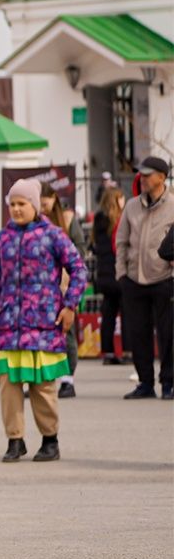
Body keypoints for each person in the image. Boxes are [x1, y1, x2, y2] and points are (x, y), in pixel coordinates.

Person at [0, 178, 87, 462]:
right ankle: (15, 439)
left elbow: (79, 270)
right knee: (8, 383)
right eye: (12, 204)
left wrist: (70, 305)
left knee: (42, 386)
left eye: (22, 204)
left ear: (34, 205)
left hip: (43, 323)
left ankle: (50, 439)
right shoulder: (2, 238)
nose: (17, 209)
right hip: (9, 322)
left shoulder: (53, 235)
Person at [116, 156, 172, 400]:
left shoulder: (173, 204)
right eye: (142, 174)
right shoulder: (131, 206)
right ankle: (145, 382)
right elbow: (121, 242)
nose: (143, 178)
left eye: (148, 174)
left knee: (168, 334)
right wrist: (121, 274)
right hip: (133, 279)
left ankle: (169, 382)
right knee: (138, 334)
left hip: (165, 279)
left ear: (162, 177)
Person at [39, 183, 86, 397]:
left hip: (65, 283)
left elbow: (80, 252)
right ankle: (39, 377)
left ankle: (68, 379)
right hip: (41, 288)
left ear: (53, 198)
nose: (42, 205)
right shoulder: (32, 223)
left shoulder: (67, 219)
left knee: (66, 332)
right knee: (39, 333)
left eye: (45, 200)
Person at [92, 185, 127, 364]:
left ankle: (108, 352)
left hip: (103, 274)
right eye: (121, 198)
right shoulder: (118, 221)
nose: (124, 201)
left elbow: (95, 247)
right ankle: (128, 350)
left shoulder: (98, 221)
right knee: (127, 312)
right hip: (117, 272)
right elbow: (118, 247)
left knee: (108, 314)